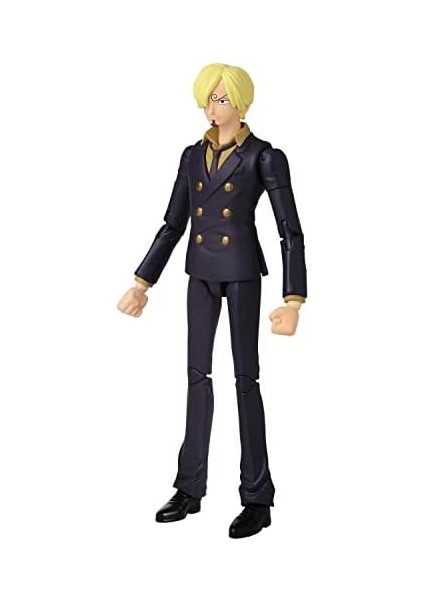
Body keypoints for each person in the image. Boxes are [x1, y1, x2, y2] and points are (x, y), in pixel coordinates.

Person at [117, 63, 307, 538]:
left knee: (246, 379)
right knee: (196, 376)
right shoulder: (190, 156)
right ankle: (189, 487)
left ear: (240, 103)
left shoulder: (264, 156)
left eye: (221, 99)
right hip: (200, 272)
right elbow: (173, 223)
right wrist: (142, 282)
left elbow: (290, 231)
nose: (212, 107)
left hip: (241, 271)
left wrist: (294, 299)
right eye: (208, 98)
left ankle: (257, 496)